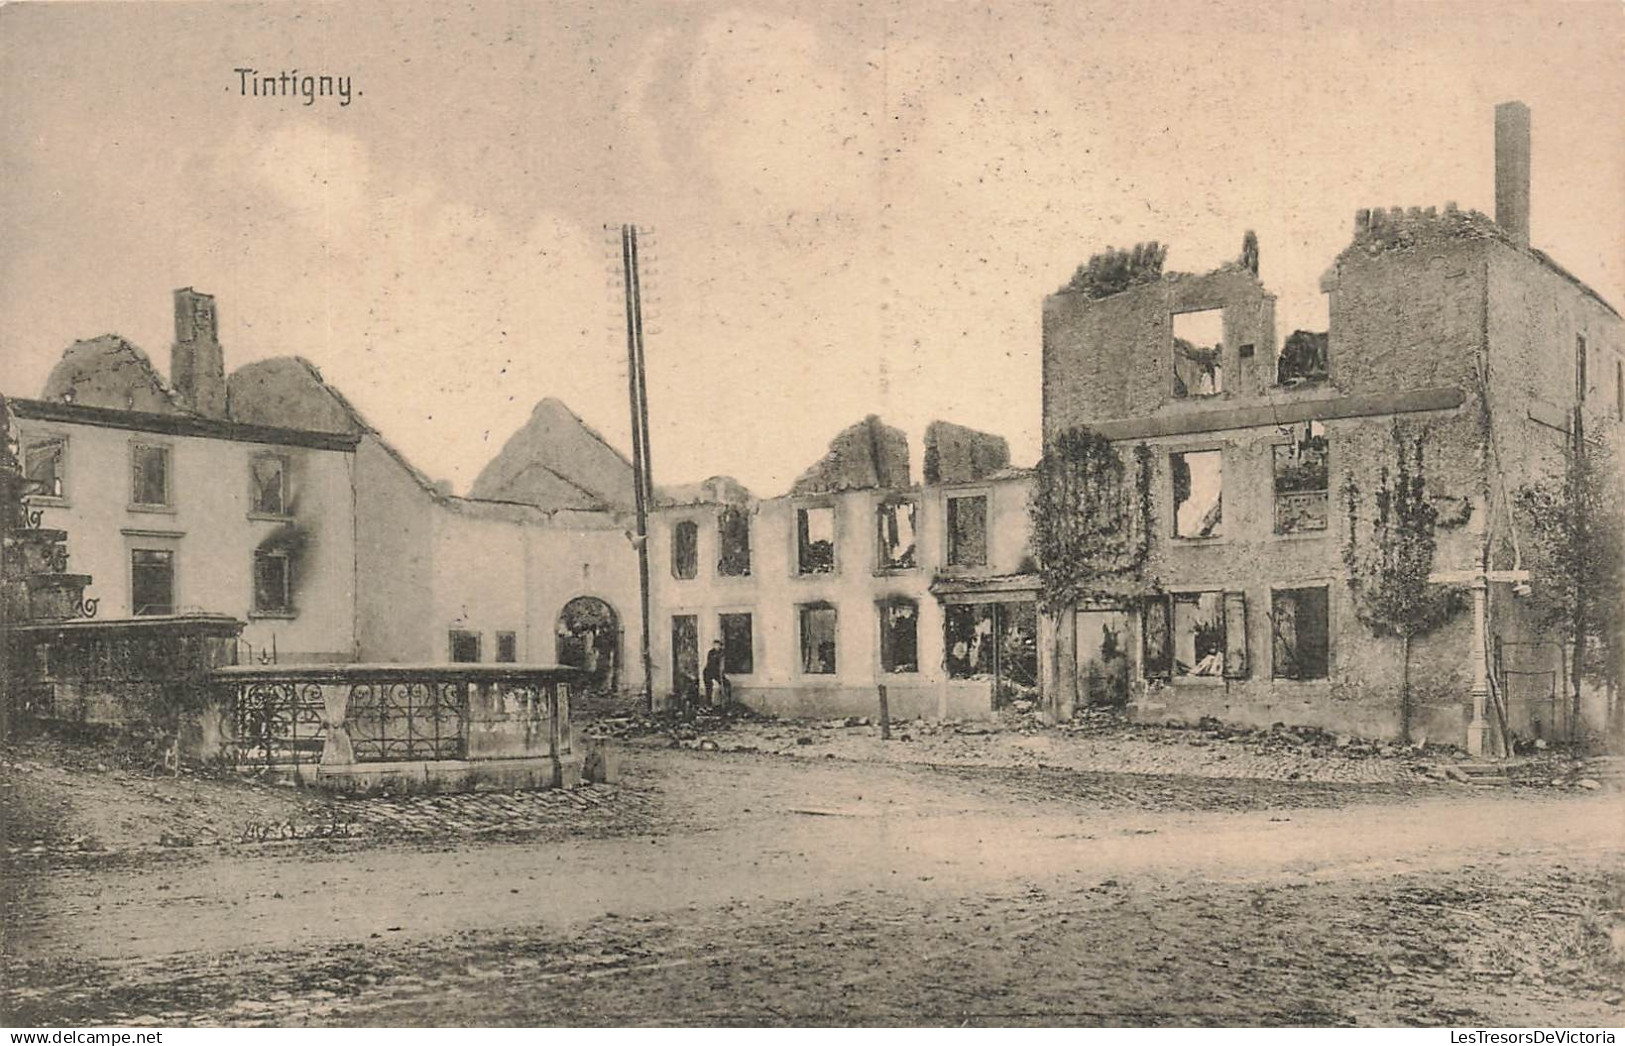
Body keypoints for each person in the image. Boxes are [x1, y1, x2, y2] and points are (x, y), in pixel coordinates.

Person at [703, 639, 731, 706]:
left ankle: (726, 702)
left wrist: (722, 669)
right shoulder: (711, 653)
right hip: (709, 671)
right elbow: (711, 662)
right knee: (709, 687)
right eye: (715, 645)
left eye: (718, 645)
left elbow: (723, 663)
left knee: (726, 684)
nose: (717, 646)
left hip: (717, 672)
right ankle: (708, 704)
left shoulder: (722, 653)